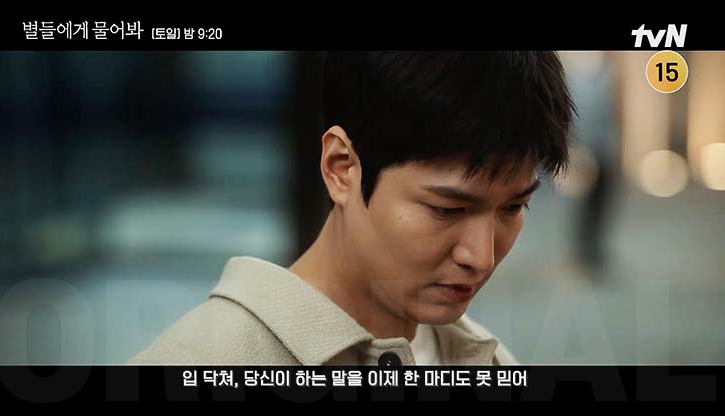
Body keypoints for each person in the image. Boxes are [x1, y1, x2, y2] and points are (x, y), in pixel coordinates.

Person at [130, 51, 575, 365]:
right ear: (341, 168)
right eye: (447, 209)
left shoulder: (487, 361)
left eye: (514, 207)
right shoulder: (200, 360)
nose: (481, 257)